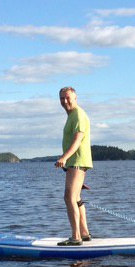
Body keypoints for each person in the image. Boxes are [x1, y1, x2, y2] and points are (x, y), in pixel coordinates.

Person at [54, 86, 92, 246]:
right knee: (75, 198)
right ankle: (84, 234)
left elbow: (78, 140)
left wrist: (64, 157)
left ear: (75, 98)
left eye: (67, 97)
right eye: (62, 98)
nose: (65, 101)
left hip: (77, 161)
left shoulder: (78, 114)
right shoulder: (72, 115)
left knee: (68, 197)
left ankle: (76, 237)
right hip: (76, 163)